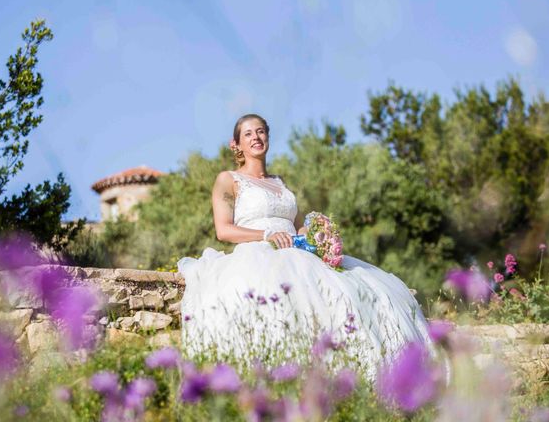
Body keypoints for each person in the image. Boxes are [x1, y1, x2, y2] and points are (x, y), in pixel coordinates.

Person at [177, 114, 431, 376]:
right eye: (249, 134)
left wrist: (318, 236)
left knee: (358, 290)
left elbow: (297, 225)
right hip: (258, 252)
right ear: (237, 144)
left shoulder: (280, 182)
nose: (256, 137)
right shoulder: (228, 179)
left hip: (298, 252)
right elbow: (223, 230)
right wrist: (265, 235)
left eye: (261, 131)